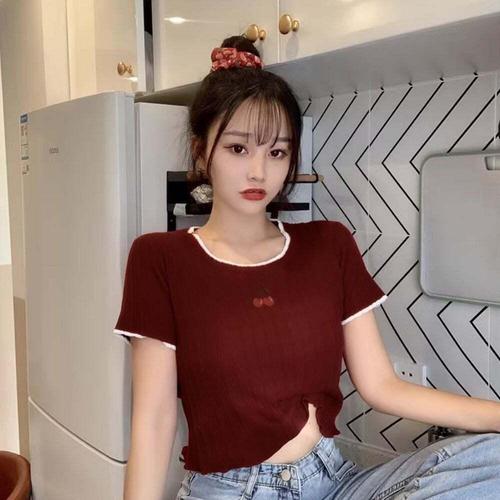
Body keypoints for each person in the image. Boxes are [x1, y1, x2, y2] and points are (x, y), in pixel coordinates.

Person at [113, 35, 500, 500]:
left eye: (276, 152)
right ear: (201, 152)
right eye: (238, 149)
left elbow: (381, 386)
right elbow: (155, 420)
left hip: (335, 480)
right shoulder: (160, 258)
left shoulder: (328, 244)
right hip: (233, 490)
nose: (259, 172)